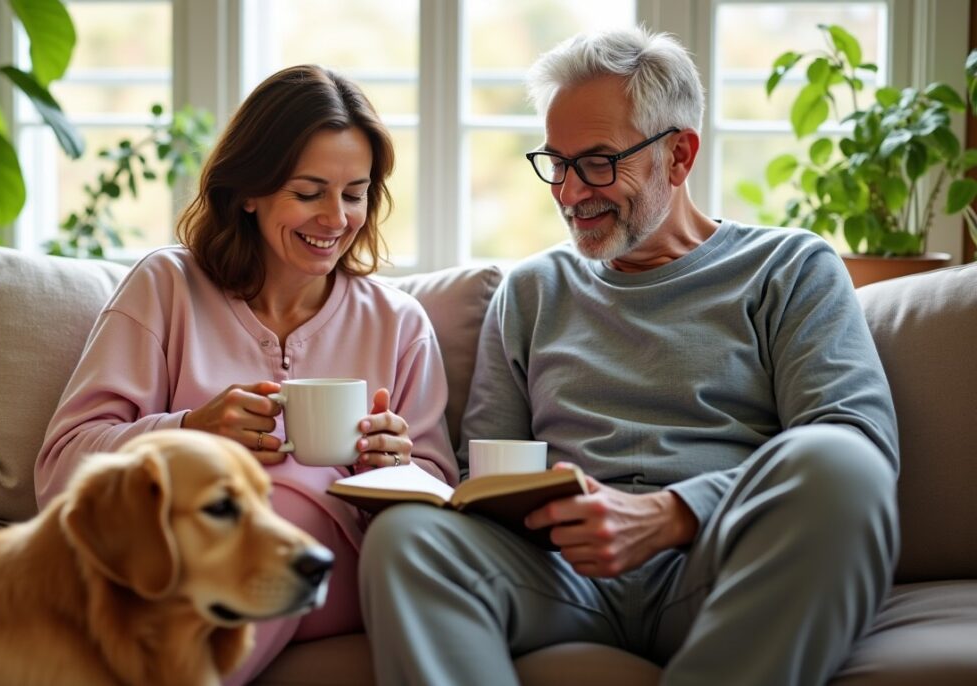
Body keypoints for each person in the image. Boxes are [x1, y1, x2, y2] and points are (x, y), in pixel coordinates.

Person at [359, 27, 899, 686]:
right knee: (406, 539)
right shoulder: (531, 290)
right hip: (562, 576)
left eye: (597, 161)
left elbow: (860, 439)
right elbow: (485, 474)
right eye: (556, 162)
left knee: (840, 462)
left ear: (678, 156)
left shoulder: (788, 268)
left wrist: (672, 514)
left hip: (721, 566)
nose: (568, 192)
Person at [35, 64, 456, 683]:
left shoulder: (400, 323)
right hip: (182, 562)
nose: (336, 218)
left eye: (355, 193)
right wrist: (190, 431)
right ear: (250, 191)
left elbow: (442, 502)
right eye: (309, 192)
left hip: (327, 570)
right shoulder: (167, 288)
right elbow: (61, 469)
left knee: (288, 499)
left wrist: (394, 466)